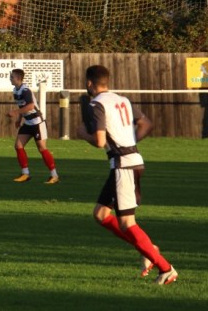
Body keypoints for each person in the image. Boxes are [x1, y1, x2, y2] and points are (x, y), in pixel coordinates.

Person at [77, 65, 178, 285]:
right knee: (101, 214)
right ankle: (149, 250)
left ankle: (166, 268)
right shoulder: (122, 100)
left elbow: (99, 141)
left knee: (127, 223)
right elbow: (146, 124)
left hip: (124, 166)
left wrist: (83, 133)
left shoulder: (96, 104)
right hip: (126, 163)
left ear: (89, 83)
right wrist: (129, 141)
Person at [6, 68, 59, 184]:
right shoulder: (16, 90)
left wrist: (15, 113)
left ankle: (54, 175)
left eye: (12, 77)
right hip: (28, 122)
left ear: (18, 78)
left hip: (37, 123)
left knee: (42, 148)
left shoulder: (25, 90)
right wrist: (19, 119)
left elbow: (30, 106)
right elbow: (22, 106)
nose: (10, 79)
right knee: (18, 145)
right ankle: (25, 174)